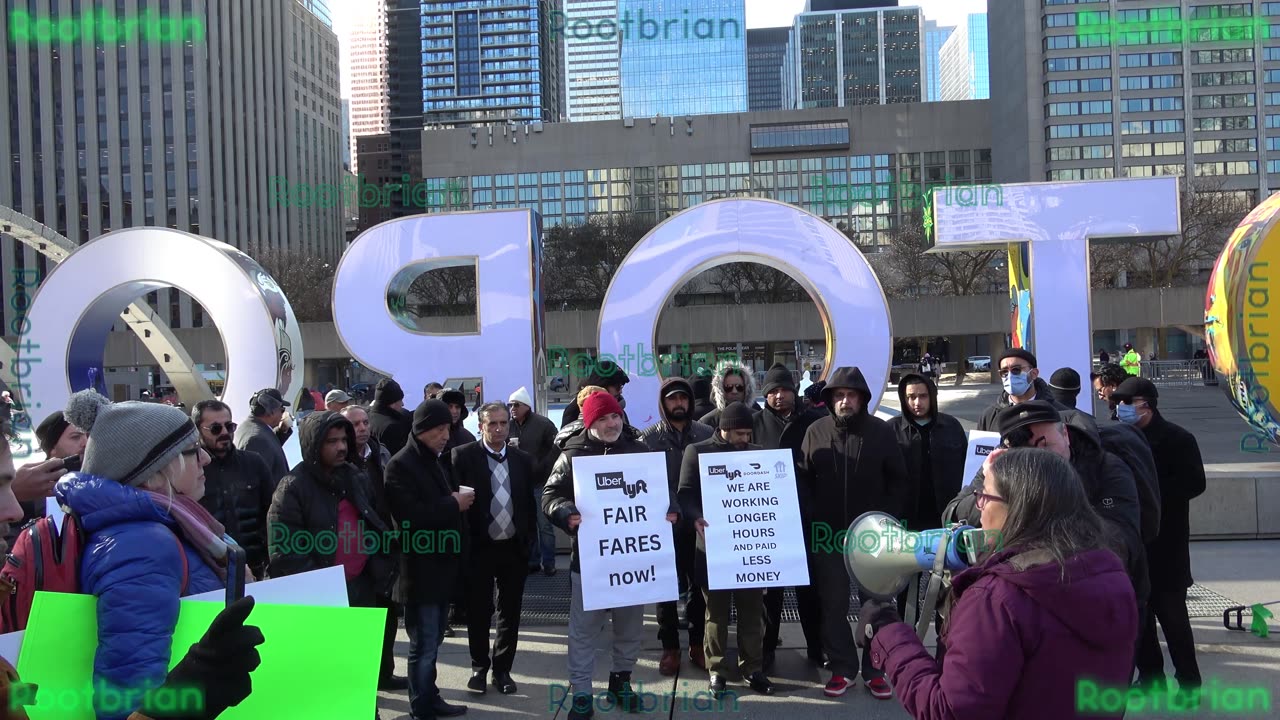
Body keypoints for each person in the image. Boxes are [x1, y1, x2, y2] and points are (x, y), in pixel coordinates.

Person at [859, 448, 1138, 719]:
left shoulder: (997, 599)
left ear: (1017, 509)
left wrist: (889, 634)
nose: (978, 509)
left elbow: (949, 711)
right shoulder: (1111, 574)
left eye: (983, 496)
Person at [53, 391, 240, 720]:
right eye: (191, 450)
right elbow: (128, 698)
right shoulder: (142, 543)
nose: (206, 459)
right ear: (152, 472)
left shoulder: (157, 527)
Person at [543, 392, 679, 719]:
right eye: (603, 418)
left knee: (629, 627)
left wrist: (670, 508)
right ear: (590, 422)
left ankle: (621, 680)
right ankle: (581, 693)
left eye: (615, 416)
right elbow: (550, 494)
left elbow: (663, 490)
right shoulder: (573, 453)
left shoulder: (639, 449)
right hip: (591, 563)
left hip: (634, 561)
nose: (612, 423)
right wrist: (564, 512)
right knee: (584, 630)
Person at [798, 367, 909, 700]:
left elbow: (898, 480)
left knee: (877, 605)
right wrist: (811, 515)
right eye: (839, 395)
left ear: (862, 399)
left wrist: (886, 521)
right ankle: (842, 668)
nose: (845, 401)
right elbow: (803, 479)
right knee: (832, 605)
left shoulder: (881, 432)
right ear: (831, 399)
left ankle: (875, 669)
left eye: (851, 395)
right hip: (828, 535)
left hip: (872, 538)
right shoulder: (815, 431)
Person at [1112, 378, 1207, 699]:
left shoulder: (1178, 438)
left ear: (1146, 405)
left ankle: (1189, 682)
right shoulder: (1119, 438)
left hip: (1167, 542)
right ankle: (1151, 678)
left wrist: (1152, 493)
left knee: (1173, 617)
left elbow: (1195, 483)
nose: (1120, 410)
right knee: (1139, 617)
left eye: (1127, 403)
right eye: (1117, 404)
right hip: (1133, 540)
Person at [677, 402, 775, 698]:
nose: (745, 439)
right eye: (740, 434)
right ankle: (716, 669)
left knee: (751, 612)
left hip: (750, 548)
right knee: (715, 613)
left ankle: (752, 668)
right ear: (724, 429)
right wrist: (696, 518)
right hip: (713, 548)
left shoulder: (758, 454)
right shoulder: (698, 451)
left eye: (748, 433)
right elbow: (685, 493)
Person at [385, 400, 473, 720]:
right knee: (422, 645)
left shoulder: (433, 459)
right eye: (438, 429)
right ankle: (421, 706)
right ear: (421, 430)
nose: (445, 435)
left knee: (433, 641)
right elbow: (409, 518)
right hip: (418, 572)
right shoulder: (400, 465)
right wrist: (453, 503)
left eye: (447, 428)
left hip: (439, 568)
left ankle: (430, 696)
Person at [267, 412, 397, 614]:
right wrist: (325, 587)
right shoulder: (292, 488)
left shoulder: (354, 477)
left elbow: (374, 523)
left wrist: (380, 566)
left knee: (368, 646)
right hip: (322, 598)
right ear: (315, 444)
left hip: (364, 588)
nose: (341, 447)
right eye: (332, 441)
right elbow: (285, 551)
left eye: (344, 440)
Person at [453, 403, 537, 696]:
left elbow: (528, 503)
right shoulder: (463, 457)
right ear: (481, 426)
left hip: (513, 547)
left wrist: (530, 544)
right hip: (479, 548)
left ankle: (502, 670)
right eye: (492, 424)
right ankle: (479, 667)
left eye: (504, 423)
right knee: (478, 610)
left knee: (509, 611)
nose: (499, 429)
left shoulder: (522, 459)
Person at [752, 364, 826, 672]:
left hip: (806, 515)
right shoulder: (754, 423)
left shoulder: (815, 421)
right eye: (772, 392)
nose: (779, 396)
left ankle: (816, 647)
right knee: (771, 593)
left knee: (810, 590)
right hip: (769, 520)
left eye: (784, 390)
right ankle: (766, 648)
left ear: (794, 392)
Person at [640, 377, 713, 676]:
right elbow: (645, 481)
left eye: (683, 398)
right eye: (672, 399)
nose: (678, 403)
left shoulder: (706, 434)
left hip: (697, 523)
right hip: (664, 525)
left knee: (698, 588)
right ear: (663, 403)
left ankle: (697, 644)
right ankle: (670, 647)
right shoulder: (648, 439)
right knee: (665, 589)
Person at [340, 404, 408, 692]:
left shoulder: (380, 454)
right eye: (355, 424)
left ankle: (385, 672)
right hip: (357, 552)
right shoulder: (341, 464)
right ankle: (364, 682)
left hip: (385, 545)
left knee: (388, 615)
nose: (363, 428)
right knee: (363, 620)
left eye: (365, 422)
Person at [192, 400, 275, 579]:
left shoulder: (254, 463)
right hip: (210, 572)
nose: (224, 433)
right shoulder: (192, 471)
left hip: (257, 568)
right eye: (215, 428)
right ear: (198, 430)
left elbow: (272, 514)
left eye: (229, 426)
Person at [976, 349, 1096, 434]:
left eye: (1016, 370)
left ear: (1034, 374)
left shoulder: (1059, 413)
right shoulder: (989, 416)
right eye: (1004, 372)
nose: (1010, 376)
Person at [507, 387, 560, 576]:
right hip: (520, 482)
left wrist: (541, 466)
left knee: (544, 525)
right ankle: (533, 561)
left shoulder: (543, 424)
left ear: (526, 406)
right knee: (528, 524)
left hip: (540, 482)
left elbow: (556, 449)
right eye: (510, 405)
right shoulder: (508, 425)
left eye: (516, 405)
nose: (512, 408)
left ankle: (549, 563)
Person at [234, 388, 291, 486]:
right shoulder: (256, 440)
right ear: (271, 411)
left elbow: (269, 452)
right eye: (282, 410)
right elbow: (256, 484)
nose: (282, 415)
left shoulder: (252, 427)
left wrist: (281, 431)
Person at [559, 360, 631, 428]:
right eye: (617, 386)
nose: (620, 391)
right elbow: (565, 439)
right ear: (602, 385)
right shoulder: (575, 410)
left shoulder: (619, 406)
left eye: (622, 386)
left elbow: (628, 437)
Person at [700, 358, 760, 427]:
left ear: (747, 389)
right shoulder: (707, 422)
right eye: (728, 387)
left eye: (739, 387)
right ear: (720, 390)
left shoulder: (758, 420)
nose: (734, 391)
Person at [369, 378, 412, 457]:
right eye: (400, 400)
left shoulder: (366, 417)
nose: (402, 404)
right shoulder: (391, 427)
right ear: (391, 403)